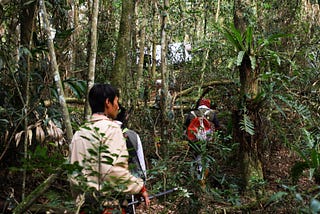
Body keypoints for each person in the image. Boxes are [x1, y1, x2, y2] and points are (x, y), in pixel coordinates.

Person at [69, 83, 150, 212]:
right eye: (116, 102)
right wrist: (139, 188)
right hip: (108, 208)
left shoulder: (79, 133)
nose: (118, 107)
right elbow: (115, 171)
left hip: (85, 207)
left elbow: (73, 175)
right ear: (108, 102)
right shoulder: (112, 130)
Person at [184, 98, 220, 186]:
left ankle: (193, 179)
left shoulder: (192, 113)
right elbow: (218, 126)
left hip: (193, 141)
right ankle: (202, 180)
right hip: (207, 142)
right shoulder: (212, 114)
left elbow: (185, 126)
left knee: (193, 158)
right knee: (205, 160)